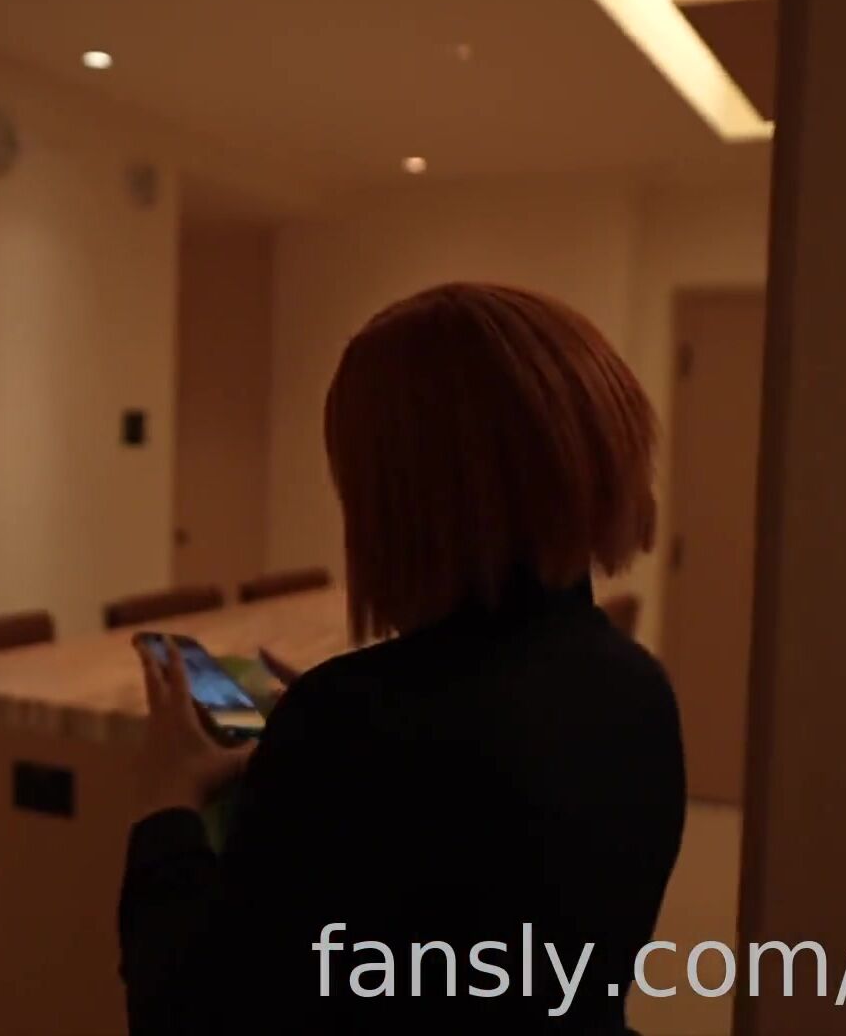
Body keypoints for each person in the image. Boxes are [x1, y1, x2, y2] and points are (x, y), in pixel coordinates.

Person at [120, 282, 686, 1034]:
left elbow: (187, 1016)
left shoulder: (354, 727)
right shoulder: (638, 689)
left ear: (395, 497)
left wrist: (165, 803)